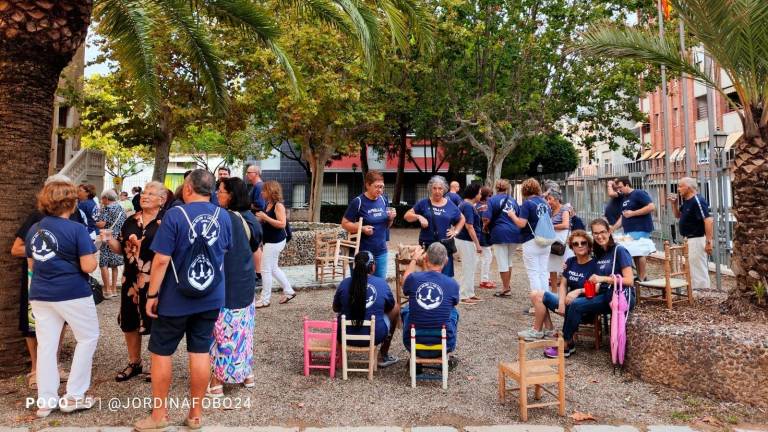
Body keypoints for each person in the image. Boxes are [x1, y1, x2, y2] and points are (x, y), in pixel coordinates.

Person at [134, 169, 232, 431]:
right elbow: (223, 253)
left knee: (162, 351)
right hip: (211, 295)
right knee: (200, 351)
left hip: (175, 297)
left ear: (188, 188)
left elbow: (162, 260)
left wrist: (152, 294)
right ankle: (195, 415)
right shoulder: (223, 216)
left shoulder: (175, 215)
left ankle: (159, 415)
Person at [25, 178, 99, 418]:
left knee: (46, 345)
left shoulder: (34, 229)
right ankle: (74, 395)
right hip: (72, 292)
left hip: (40, 293)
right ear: (71, 204)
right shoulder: (76, 229)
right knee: (87, 338)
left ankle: (46, 400)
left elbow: (32, 265)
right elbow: (88, 266)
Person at [12, 174, 81, 390]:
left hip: (65, 282)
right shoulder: (36, 217)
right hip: (37, 279)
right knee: (34, 325)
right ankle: (35, 369)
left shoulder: (74, 216)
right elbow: (16, 249)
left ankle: (54, 365)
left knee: (59, 322)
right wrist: (52, 252)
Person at [103, 181, 167, 383]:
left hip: (155, 280)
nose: (145, 196)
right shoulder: (131, 220)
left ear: (161, 200)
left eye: (151, 193)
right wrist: (109, 240)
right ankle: (134, 362)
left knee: (157, 321)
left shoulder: (166, 221)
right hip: (130, 278)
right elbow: (121, 248)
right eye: (144, 192)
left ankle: (156, 364)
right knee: (129, 321)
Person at [545, 219, 635, 358]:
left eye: (603, 232)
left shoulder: (619, 250)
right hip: (605, 294)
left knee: (575, 304)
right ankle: (567, 342)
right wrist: (570, 270)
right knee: (569, 301)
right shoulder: (599, 253)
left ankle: (565, 342)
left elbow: (629, 280)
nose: (600, 236)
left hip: (619, 296)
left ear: (609, 232)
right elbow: (583, 262)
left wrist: (603, 279)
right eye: (596, 233)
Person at [208, 177, 262, 396]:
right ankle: (246, 374)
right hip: (246, 284)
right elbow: (254, 245)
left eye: (220, 191)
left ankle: (216, 381)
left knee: (221, 334)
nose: (217, 194)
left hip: (226, 285)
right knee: (244, 332)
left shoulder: (224, 218)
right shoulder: (252, 219)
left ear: (230, 195)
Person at [518, 230, 596, 341]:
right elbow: (563, 284)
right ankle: (545, 330)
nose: (580, 246)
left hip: (583, 307)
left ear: (589, 246)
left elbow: (596, 288)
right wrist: (561, 302)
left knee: (540, 295)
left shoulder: (594, 264)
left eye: (583, 243)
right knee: (536, 295)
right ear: (572, 248)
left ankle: (539, 331)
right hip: (567, 303)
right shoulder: (571, 261)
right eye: (575, 244)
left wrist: (579, 291)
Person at [333, 251, 400, 368]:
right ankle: (383, 354)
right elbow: (390, 307)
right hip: (375, 336)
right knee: (396, 308)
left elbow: (335, 308)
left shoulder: (344, 283)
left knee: (341, 314)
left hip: (344, 335)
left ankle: (339, 354)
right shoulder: (381, 283)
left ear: (355, 266)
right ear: (373, 266)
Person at [400, 243, 460, 365]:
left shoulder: (414, 279)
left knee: (406, 309)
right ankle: (446, 352)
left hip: (412, 344)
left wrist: (414, 259)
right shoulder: (452, 283)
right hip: (444, 345)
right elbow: (454, 303)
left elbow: (404, 282)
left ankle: (415, 358)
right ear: (446, 261)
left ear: (425, 259)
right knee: (453, 312)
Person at [404, 175, 465, 277]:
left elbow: (462, 219)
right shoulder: (423, 203)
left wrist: (456, 231)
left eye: (440, 188)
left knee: (445, 278)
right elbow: (407, 216)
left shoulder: (450, 205)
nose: (437, 191)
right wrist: (418, 216)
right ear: (430, 189)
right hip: (427, 247)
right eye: (434, 188)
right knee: (427, 277)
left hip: (444, 248)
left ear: (444, 190)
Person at [342, 170, 396, 279]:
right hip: (362, 253)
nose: (380, 190)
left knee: (379, 284)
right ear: (367, 185)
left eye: (382, 187)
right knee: (360, 285)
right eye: (377, 187)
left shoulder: (383, 200)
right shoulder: (358, 202)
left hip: (381, 251)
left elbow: (386, 226)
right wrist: (361, 228)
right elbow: (344, 224)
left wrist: (390, 219)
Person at [254, 180, 296, 308]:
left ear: (271, 191)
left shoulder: (278, 206)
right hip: (271, 241)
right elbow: (267, 221)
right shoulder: (268, 204)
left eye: (264, 190)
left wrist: (265, 218)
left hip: (275, 241)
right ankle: (288, 291)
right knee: (273, 269)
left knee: (265, 270)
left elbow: (282, 223)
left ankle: (265, 299)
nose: (261, 192)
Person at [508, 178, 552, 294]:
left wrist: (512, 215)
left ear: (525, 190)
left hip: (531, 240)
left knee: (533, 273)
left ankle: (537, 304)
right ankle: (546, 300)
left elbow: (521, 224)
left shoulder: (527, 204)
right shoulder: (545, 203)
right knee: (543, 272)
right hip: (546, 239)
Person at [669, 177, 713, 291]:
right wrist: (674, 204)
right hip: (689, 239)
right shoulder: (687, 202)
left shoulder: (697, 200)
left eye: (680, 186)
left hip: (697, 238)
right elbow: (678, 216)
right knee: (692, 267)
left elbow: (708, 220)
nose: (678, 189)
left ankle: (702, 292)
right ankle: (694, 291)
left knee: (698, 266)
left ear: (688, 187)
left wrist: (709, 242)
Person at [612, 177, 656, 281]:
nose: (619, 190)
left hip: (640, 227)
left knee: (639, 252)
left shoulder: (638, 193)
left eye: (620, 187)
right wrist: (613, 228)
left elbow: (651, 207)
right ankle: (641, 276)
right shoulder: (624, 198)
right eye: (617, 188)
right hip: (629, 230)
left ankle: (642, 276)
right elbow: (623, 216)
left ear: (627, 185)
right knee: (635, 253)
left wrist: (633, 213)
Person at [482, 179, 521, 297]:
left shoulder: (491, 200)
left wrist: (485, 226)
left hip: (499, 233)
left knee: (502, 261)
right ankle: (507, 286)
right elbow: (518, 215)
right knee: (509, 261)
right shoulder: (513, 200)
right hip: (515, 232)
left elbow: (486, 218)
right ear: (507, 188)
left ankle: (505, 288)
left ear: (496, 188)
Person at [455, 183, 483, 304]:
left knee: (471, 267)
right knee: (468, 267)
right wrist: (477, 244)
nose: (481, 195)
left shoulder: (465, 204)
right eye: (480, 192)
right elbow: (469, 226)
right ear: (475, 194)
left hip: (464, 240)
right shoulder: (467, 206)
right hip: (466, 240)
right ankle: (463, 295)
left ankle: (469, 292)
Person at [95, 189, 126, 299]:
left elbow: (102, 224)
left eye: (102, 198)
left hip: (108, 238)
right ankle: (113, 289)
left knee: (103, 265)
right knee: (114, 265)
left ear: (106, 199)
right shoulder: (120, 208)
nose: (102, 200)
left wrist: (95, 223)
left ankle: (107, 290)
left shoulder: (107, 208)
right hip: (117, 239)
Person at [545, 190, 572, 292]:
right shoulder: (550, 211)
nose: (548, 201)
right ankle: (554, 291)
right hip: (553, 241)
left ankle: (565, 289)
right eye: (547, 199)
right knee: (552, 266)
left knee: (565, 265)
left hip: (562, 241)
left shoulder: (564, 209)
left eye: (550, 199)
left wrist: (550, 227)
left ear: (556, 200)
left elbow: (566, 225)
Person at [245, 164, 265, 286]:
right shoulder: (257, 186)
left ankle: (259, 275)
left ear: (256, 173)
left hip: (257, 221)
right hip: (255, 221)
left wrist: (246, 204)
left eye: (249, 172)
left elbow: (259, 205)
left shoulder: (259, 186)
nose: (247, 174)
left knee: (256, 247)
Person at [477, 186, 495, 289]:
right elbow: (487, 220)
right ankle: (484, 280)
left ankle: (484, 278)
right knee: (487, 257)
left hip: (478, 235)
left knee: (482, 257)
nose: (491, 197)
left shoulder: (477, 205)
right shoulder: (486, 207)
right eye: (490, 195)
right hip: (483, 235)